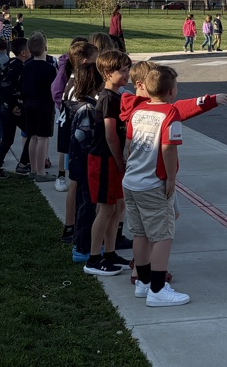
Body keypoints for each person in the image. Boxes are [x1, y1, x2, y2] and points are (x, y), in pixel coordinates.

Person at [121, 65, 189, 306]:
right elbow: (168, 147)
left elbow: (128, 145)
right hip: (153, 183)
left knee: (139, 233)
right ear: (171, 91)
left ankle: (143, 281)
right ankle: (158, 290)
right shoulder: (170, 114)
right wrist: (170, 178)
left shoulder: (137, 111)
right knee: (162, 235)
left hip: (131, 181)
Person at [83, 49, 132, 276]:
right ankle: (93, 258)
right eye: (123, 71)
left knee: (118, 207)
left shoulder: (118, 96)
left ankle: (110, 252)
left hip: (113, 160)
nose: (127, 75)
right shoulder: (107, 99)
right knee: (105, 209)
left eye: (128, 70)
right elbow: (110, 134)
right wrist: (120, 160)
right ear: (107, 72)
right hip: (104, 159)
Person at [56, 41, 99, 245]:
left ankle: (71, 225)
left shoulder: (72, 79)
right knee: (77, 184)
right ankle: (73, 226)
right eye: (95, 59)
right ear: (84, 62)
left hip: (69, 133)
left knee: (76, 182)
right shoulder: (79, 84)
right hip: (74, 137)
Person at [68, 61, 105, 264]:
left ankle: (82, 242)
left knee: (85, 204)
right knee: (87, 207)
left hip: (78, 162)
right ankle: (82, 247)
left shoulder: (78, 104)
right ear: (94, 83)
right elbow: (84, 137)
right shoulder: (88, 109)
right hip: (85, 163)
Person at [0, 38, 33, 179]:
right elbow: (6, 85)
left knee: (7, 139)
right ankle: (24, 163)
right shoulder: (18, 66)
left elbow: (0, 79)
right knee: (32, 133)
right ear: (24, 52)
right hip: (11, 108)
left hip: (3, 107)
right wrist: (13, 104)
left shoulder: (10, 63)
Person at [51, 36, 91, 191]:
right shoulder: (66, 67)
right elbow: (56, 90)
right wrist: (63, 105)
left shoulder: (85, 71)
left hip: (79, 111)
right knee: (65, 144)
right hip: (67, 110)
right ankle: (61, 175)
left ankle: (75, 171)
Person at [22, 31, 57, 179]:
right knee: (43, 137)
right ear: (45, 47)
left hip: (29, 103)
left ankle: (34, 169)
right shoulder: (50, 68)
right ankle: (41, 172)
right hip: (44, 105)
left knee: (33, 136)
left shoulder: (26, 66)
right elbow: (55, 90)